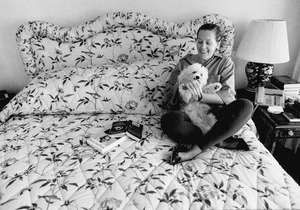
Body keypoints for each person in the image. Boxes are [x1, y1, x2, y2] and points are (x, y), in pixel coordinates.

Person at [161, 23, 253, 164]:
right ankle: (219, 140)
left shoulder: (225, 63)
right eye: (199, 41)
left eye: (208, 42)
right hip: (188, 114)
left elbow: (228, 97)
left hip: (215, 114)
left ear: (218, 43)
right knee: (169, 120)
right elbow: (168, 95)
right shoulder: (184, 63)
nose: (203, 47)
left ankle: (194, 151)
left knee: (246, 105)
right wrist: (181, 86)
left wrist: (201, 96)